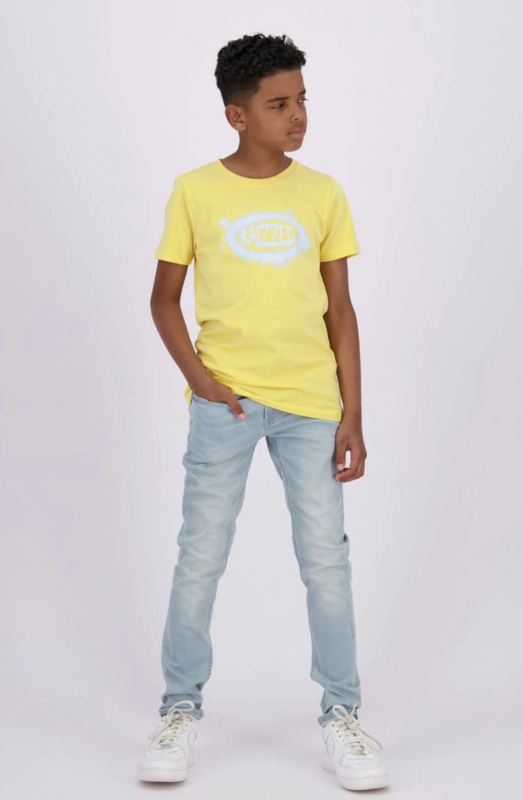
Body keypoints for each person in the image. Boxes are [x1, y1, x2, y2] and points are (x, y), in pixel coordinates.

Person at [137, 33, 390, 791]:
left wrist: (352, 414)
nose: (298, 115)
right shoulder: (195, 191)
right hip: (228, 406)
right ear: (237, 115)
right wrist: (202, 381)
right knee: (200, 556)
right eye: (279, 104)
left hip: (312, 406)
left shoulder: (323, 194)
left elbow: (340, 312)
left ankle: (341, 715)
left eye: (302, 100)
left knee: (326, 562)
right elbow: (163, 299)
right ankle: (179, 709)